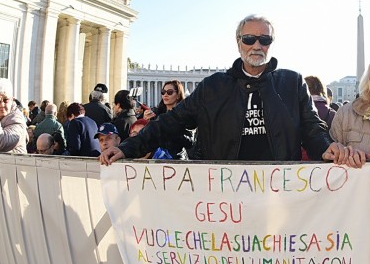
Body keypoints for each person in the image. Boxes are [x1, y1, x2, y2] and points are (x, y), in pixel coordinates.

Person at [100, 14, 350, 166]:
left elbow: (312, 129)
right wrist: (127, 148)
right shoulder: (214, 86)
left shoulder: (292, 83)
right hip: (225, 192)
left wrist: (327, 147)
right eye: (249, 39)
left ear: (271, 44)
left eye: (265, 40)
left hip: (277, 190)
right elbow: (171, 122)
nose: (257, 45)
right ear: (238, 42)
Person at [141, 80, 193, 158]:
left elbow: (190, 142)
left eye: (169, 92)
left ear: (178, 95)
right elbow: (147, 137)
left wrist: (174, 129)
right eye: (163, 92)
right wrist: (145, 121)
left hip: (176, 158)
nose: (165, 95)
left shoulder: (184, 115)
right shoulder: (156, 114)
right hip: (157, 157)